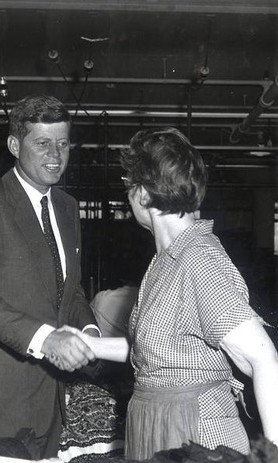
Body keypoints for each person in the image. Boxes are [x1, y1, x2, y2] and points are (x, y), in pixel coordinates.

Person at [66, 127, 278, 460]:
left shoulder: (198, 260)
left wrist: (272, 453)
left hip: (195, 434)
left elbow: (263, 358)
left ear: (144, 195)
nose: (128, 195)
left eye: (130, 186)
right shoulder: (166, 261)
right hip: (156, 423)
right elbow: (155, 355)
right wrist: (88, 344)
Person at [0, 94, 99, 459]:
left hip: (49, 403)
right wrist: (45, 340)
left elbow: (69, 289)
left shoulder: (67, 208)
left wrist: (89, 331)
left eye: (63, 144)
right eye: (43, 143)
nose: (55, 155)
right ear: (15, 145)